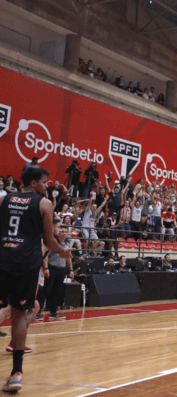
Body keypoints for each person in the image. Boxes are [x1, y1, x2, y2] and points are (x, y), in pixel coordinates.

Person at [0, 168, 72, 392]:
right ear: (33, 184)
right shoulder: (44, 204)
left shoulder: (4, 199)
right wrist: (62, 252)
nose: (47, 185)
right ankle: (16, 374)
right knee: (20, 315)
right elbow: (49, 241)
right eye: (44, 182)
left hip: (3, 259)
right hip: (26, 264)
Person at [44, 226, 74, 319]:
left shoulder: (67, 244)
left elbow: (68, 258)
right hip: (52, 268)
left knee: (57, 291)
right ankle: (38, 312)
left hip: (61, 270)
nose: (63, 233)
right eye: (61, 231)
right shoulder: (54, 243)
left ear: (67, 233)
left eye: (65, 231)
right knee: (46, 290)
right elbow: (46, 256)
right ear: (58, 232)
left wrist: (71, 270)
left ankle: (53, 312)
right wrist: (46, 268)